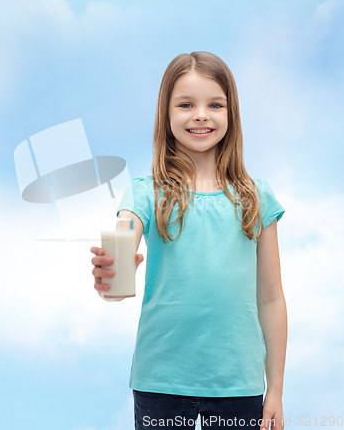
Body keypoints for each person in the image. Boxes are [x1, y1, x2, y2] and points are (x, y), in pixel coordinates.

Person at [91, 51, 287, 430]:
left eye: (215, 104)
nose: (201, 115)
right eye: (186, 104)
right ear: (166, 114)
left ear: (231, 114)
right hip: (160, 382)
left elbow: (271, 297)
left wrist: (275, 389)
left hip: (238, 385)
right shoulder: (144, 194)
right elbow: (122, 248)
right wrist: (113, 275)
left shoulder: (256, 197)